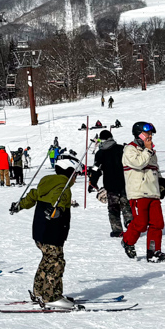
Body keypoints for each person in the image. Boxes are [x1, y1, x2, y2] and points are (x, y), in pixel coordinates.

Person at [10, 155, 79, 309]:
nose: (76, 177)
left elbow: (32, 196)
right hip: (52, 232)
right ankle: (51, 297)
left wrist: (19, 205)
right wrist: (58, 210)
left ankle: (40, 291)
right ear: (69, 173)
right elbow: (58, 199)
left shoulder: (45, 183)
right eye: (75, 174)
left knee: (47, 260)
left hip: (40, 232)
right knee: (56, 262)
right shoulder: (63, 188)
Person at [121, 122, 165, 261]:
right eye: (147, 134)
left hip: (153, 192)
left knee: (157, 224)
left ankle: (153, 251)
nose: (150, 137)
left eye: (151, 134)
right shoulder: (130, 150)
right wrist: (147, 150)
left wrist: (161, 182)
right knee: (140, 224)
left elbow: (155, 168)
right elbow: (138, 163)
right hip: (139, 193)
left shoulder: (151, 151)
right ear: (139, 134)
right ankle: (127, 241)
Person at [89, 129, 132, 238]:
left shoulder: (100, 153)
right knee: (126, 204)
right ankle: (130, 223)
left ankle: (117, 230)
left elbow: (95, 169)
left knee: (113, 208)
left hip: (110, 184)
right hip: (124, 182)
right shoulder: (121, 149)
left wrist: (92, 183)